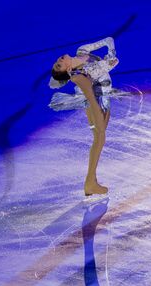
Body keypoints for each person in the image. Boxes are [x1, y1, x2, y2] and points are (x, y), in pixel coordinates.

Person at [49, 37, 123, 197]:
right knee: (99, 137)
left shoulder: (81, 52)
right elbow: (112, 63)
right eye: (59, 65)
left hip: (103, 95)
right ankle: (90, 183)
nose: (58, 60)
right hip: (96, 101)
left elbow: (107, 41)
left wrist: (110, 46)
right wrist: (111, 53)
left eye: (57, 62)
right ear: (67, 69)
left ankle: (92, 181)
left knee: (99, 138)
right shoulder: (81, 75)